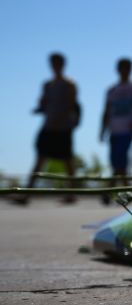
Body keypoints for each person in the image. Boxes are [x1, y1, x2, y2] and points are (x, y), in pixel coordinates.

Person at [16, 53, 80, 204]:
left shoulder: (70, 84)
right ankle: (27, 194)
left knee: (67, 161)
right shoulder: (47, 85)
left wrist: (65, 119)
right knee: (39, 159)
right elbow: (44, 105)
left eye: (58, 63)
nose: (55, 66)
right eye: (53, 63)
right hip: (49, 127)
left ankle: (72, 194)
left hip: (63, 128)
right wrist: (39, 107)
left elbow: (72, 105)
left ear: (63, 64)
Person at [100, 58, 132, 186]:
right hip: (114, 130)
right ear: (117, 70)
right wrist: (102, 130)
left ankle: (113, 188)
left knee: (121, 160)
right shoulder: (111, 90)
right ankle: (123, 188)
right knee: (115, 161)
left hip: (128, 130)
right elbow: (106, 111)